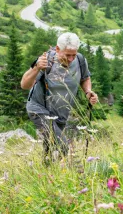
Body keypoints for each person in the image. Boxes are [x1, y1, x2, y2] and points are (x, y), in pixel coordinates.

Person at [21, 32, 98, 162]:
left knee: (50, 150)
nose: (71, 59)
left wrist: (88, 92)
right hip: (39, 109)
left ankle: (46, 175)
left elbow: (85, 78)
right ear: (57, 49)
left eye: (74, 54)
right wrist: (37, 68)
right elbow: (24, 85)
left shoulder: (80, 60)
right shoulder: (46, 61)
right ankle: (58, 174)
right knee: (62, 145)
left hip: (61, 114)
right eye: (67, 55)